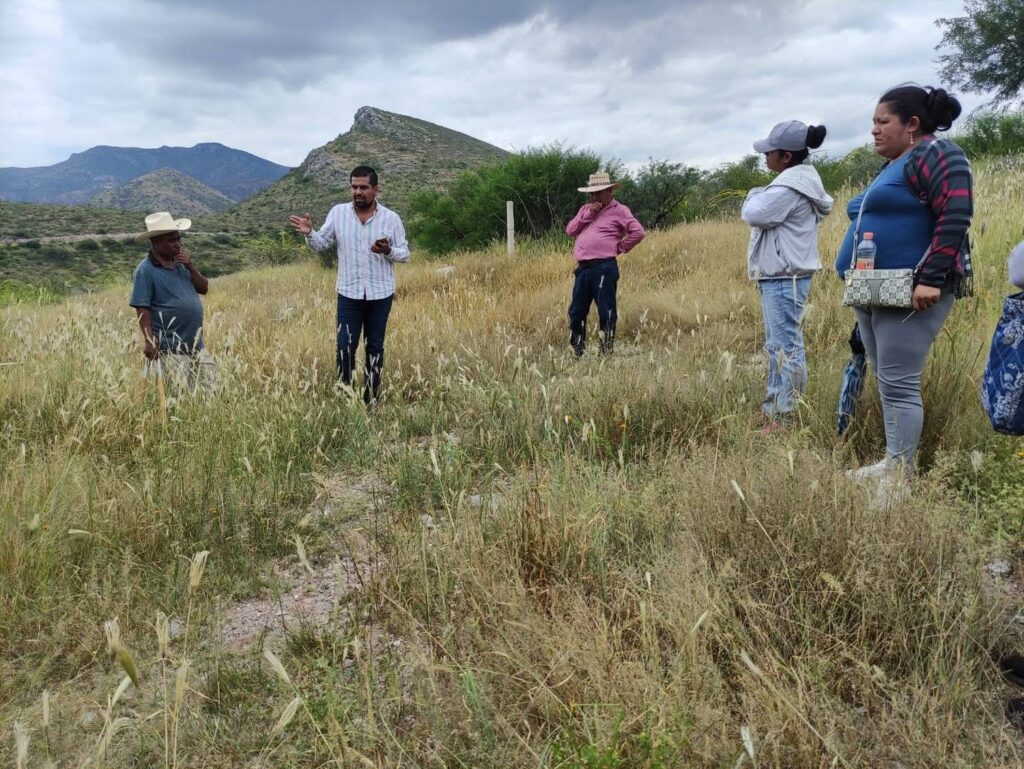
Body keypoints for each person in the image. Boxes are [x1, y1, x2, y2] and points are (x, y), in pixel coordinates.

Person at [834, 85, 973, 504]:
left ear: (911, 125)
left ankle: (901, 478)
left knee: (900, 382)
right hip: (875, 289)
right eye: (873, 122)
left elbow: (956, 213)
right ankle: (893, 462)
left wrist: (930, 277)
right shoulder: (898, 162)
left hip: (911, 290)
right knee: (886, 379)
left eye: (882, 122)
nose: (873, 130)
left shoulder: (937, 154)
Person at [290, 166, 410, 403]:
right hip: (349, 294)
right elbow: (321, 244)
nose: (358, 191)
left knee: (374, 348)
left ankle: (371, 399)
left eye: (363, 187)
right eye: (354, 186)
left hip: (380, 294)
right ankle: (344, 398)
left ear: (376, 190)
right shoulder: (338, 213)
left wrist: (388, 250)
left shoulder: (391, 218)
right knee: (345, 347)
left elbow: (405, 254)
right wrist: (309, 233)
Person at [741, 121, 833, 430]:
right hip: (781, 275)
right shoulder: (793, 182)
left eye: (770, 151)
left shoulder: (789, 187)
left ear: (786, 156)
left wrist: (754, 194)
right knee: (778, 346)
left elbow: (754, 213)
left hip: (784, 276)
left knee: (785, 348)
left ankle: (785, 414)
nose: (765, 156)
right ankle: (774, 407)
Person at [129, 211, 217, 393]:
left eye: (178, 239)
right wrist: (149, 339)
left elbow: (204, 288)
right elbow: (142, 308)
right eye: (171, 240)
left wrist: (191, 267)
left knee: (212, 392)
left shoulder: (182, 264)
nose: (177, 244)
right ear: (156, 242)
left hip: (196, 345)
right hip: (171, 350)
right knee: (180, 398)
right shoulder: (145, 271)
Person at [565, 171, 645, 356]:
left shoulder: (620, 210)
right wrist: (588, 214)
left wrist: (620, 247)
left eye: (599, 192)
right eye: (592, 193)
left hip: (604, 267)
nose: (594, 196)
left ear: (609, 191)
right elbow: (570, 230)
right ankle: (577, 352)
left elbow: (638, 232)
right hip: (583, 268)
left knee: (606, 311)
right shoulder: (586, 209)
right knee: (576, 312)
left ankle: (606, 353)